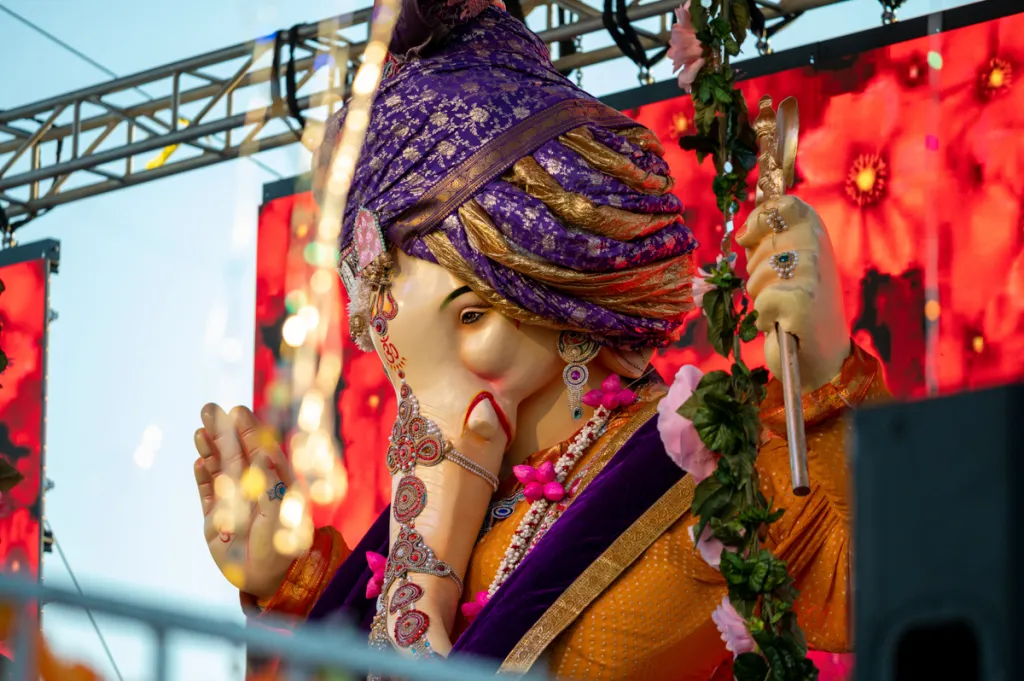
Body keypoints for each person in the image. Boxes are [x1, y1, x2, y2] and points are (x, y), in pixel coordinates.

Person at [192, 1, 885, 678]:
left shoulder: (694, 459)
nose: (434, 395)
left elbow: (880, 587)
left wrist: (823, 356)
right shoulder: (459, 512)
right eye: (400, 356)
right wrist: (292, 583)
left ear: (555, 271)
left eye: (470, 320)